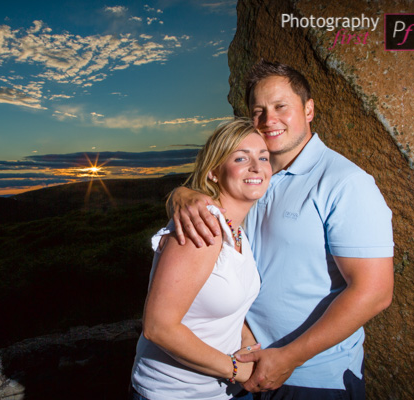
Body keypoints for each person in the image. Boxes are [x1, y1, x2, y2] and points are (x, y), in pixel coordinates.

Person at [170, 60, 394, 399]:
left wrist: (289, 358)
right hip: (245, 366)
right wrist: (180, 194)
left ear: (309, 109)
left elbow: (375, 292)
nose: (268, 120)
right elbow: (212, 201)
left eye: (280, 107)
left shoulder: (346, 183)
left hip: (310, 378)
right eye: (258, 110)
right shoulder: (255, 178)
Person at [130, 118, 272, 400]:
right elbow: (158, 328)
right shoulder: (204, 229)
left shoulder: (237, 230)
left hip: (222, 391)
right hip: (175, 393)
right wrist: (238, 371)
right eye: (241, 158)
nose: (257, 167)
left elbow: (224, 304)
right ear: (214, 173)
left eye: (263, 157)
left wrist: (247, 344)